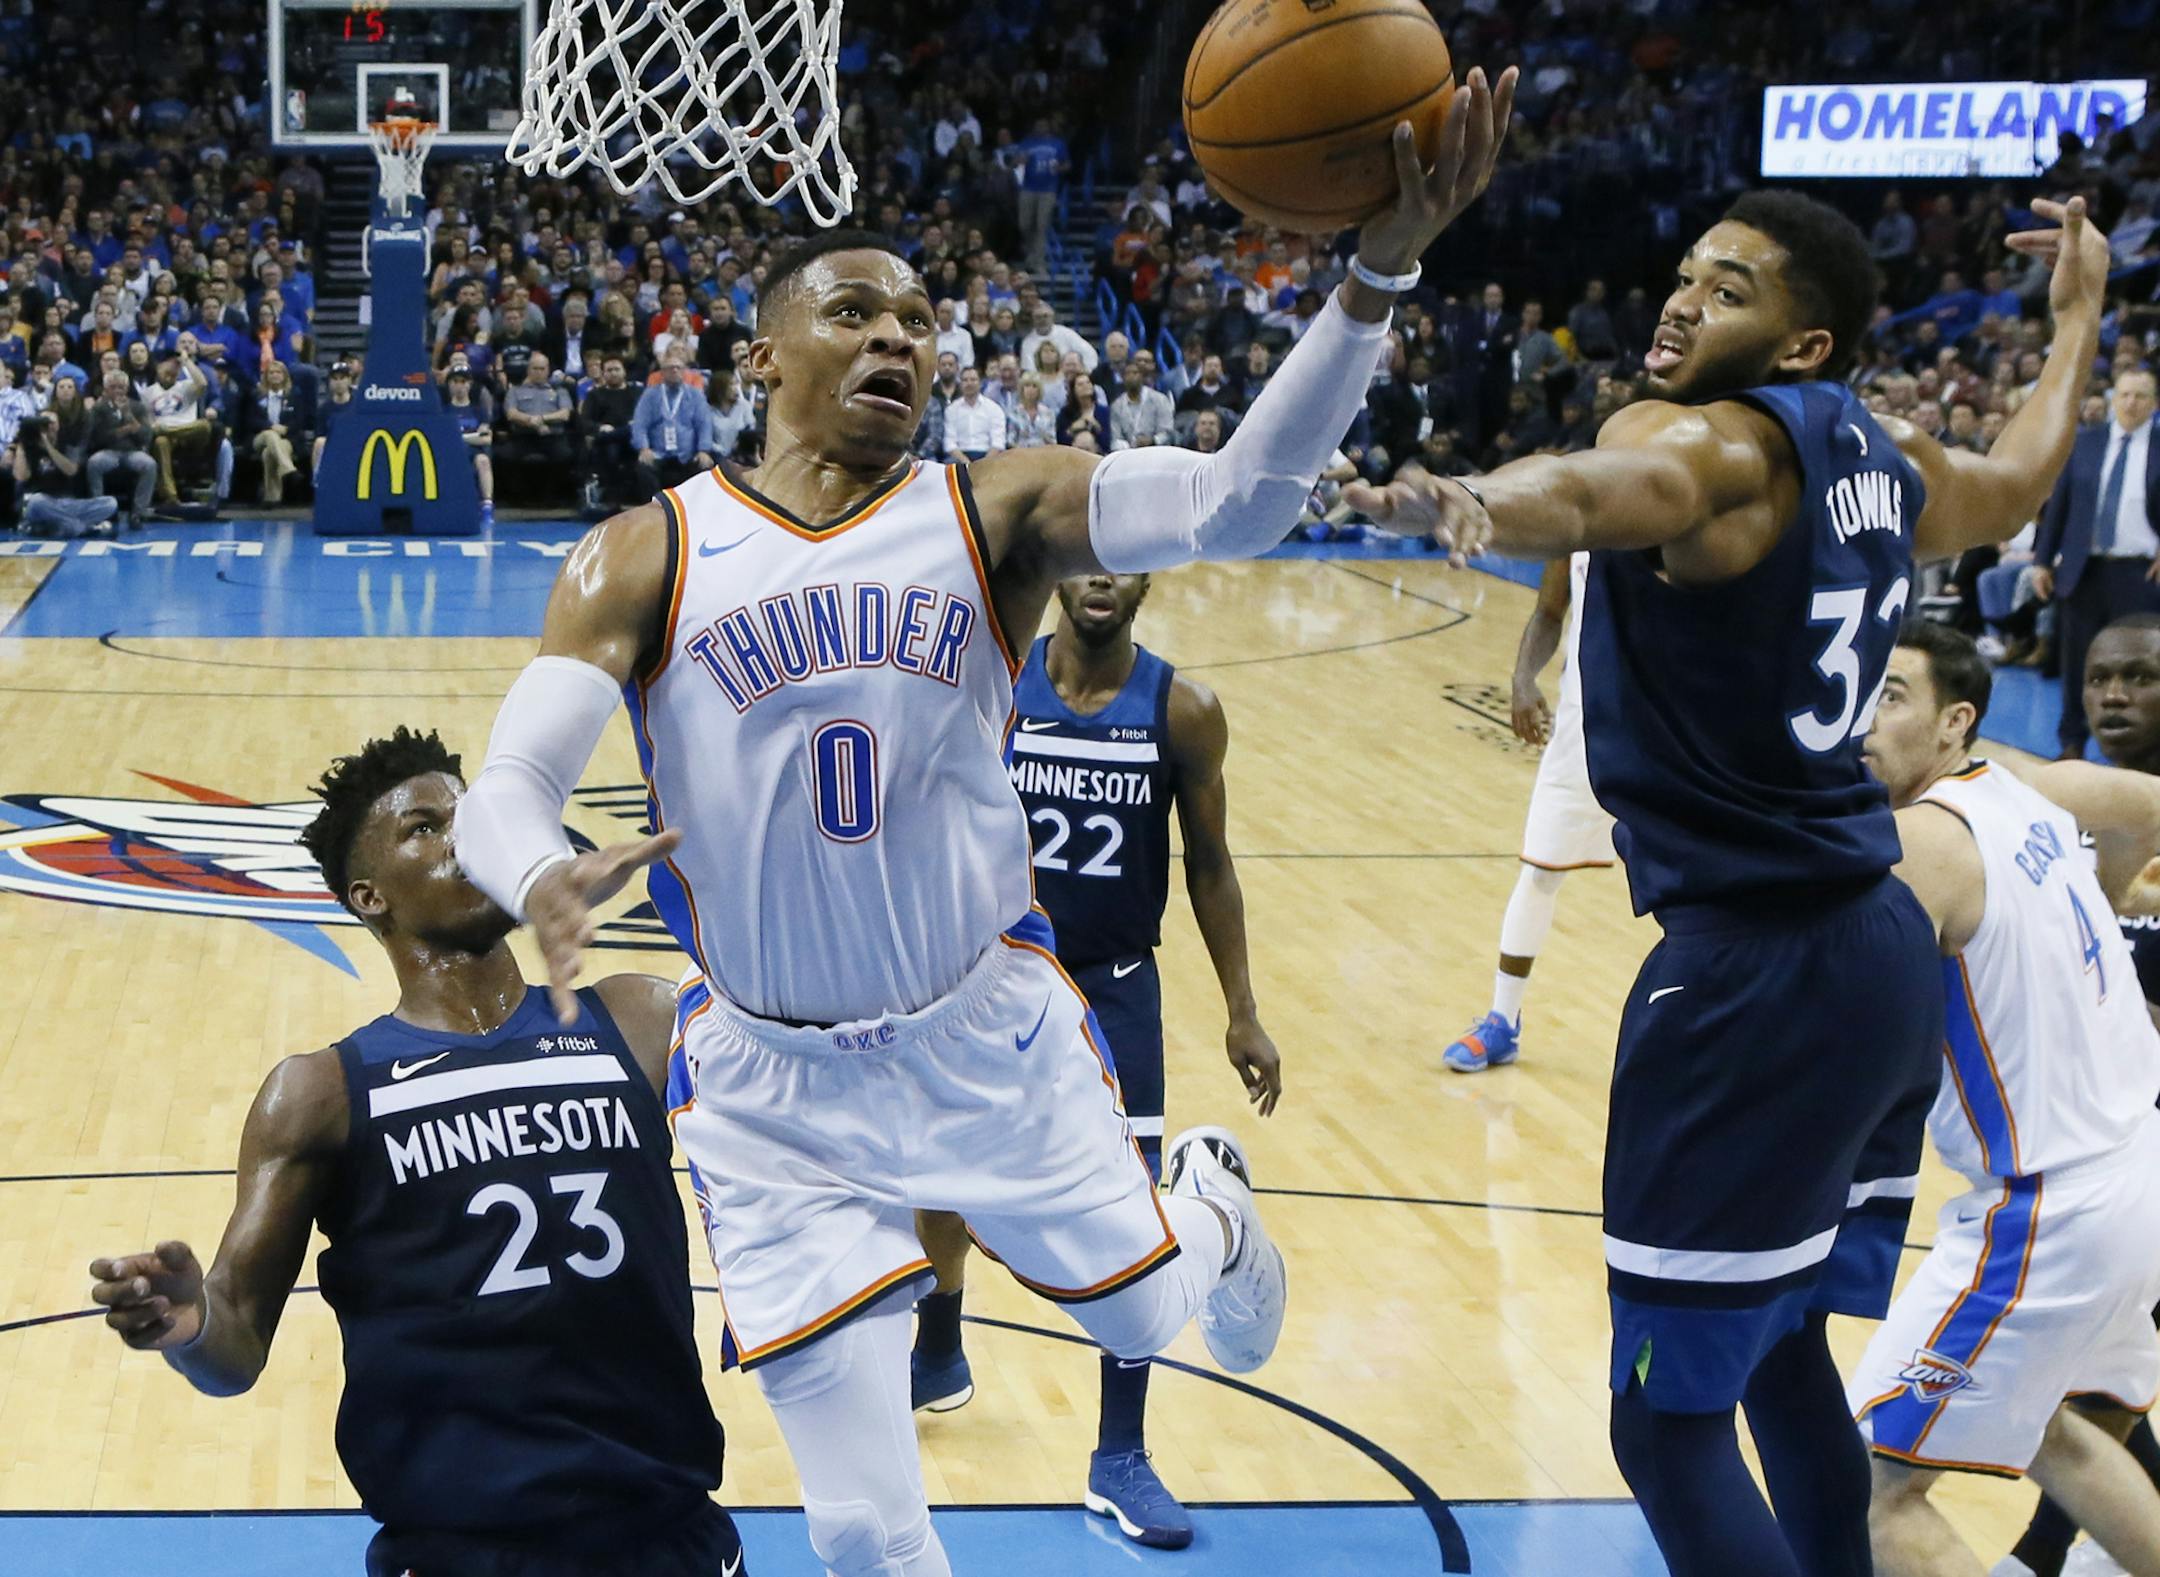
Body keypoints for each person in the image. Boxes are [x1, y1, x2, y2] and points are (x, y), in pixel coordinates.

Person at [450, 72, 1514, 1577]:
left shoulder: (993, 510)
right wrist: (536, 877)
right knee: (862, 1531)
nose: (899, 336)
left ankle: (1202, 1202)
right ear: (761, 356)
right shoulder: (641, 552)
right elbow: (508, 791)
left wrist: (1376, 274)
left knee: (1148, 1316)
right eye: (856, 313)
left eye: (916, 321)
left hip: (985, 1032)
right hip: (768, 1082)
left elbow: (1238, 499)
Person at [1349, 190, 2113, 1576]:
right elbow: (2023, 474)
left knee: (1663, 1426)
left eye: (1733, 287)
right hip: (1876, 948)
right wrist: (2076, 324)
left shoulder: (1707, 443)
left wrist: (1472, 497)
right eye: (1688, 273)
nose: (1685, 300)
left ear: (1805, 343)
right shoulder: (1892, 457)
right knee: (1777, 1355)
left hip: (1753, 976)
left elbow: (1604, 490)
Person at [87, 730, 746, 1577]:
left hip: (667, 1534)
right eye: (424, 829)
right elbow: (235, 1342)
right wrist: (192, 1324)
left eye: (469, 818)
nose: (461, 839)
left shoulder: (640, 1019)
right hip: (458, 1554)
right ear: (370, 896)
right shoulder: (320, 1093)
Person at [911, 570, 1284, 1549]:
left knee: (1127, 1222)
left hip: (1115, 984)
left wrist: (1243, 1009)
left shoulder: (1183, 709)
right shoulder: (991, 686)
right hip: (991, 974)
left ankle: (1121, 1455)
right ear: (1058, 565)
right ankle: (940, 1337)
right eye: (1084, 558)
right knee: (940, 1171)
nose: (1101, 580)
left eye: (1122, 562)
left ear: (1148, 575)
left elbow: (1210, 861)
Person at [1852, 622, 2160, 1577]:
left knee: (1872, 1495)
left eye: (1892, 694)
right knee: (2052, 1423)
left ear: (1954, 722)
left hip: (2045, 1209)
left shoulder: (1922, 842)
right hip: (2137, 1173)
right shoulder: (2027, 784)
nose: (1863, 714)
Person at [2001, 612, 2160, 1577]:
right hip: (2109, 1154)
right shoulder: (2068, 820)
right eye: (2101, 676)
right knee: (2080, 1383)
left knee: (2062, 1383)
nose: (2114, 694)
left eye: (2141, 678)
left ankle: (2038, 1553)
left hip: (2137, 1166)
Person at [1442, 553, 1615, 1071]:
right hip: (1584, 736)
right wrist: (1523, 679)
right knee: (1539, 873)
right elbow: (1548, 611)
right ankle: (1502, 1019)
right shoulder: (1582, 518)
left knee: (1697, 882)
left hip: (1671, 736)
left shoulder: (1675, 508)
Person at [2032, 367, 2160, 759]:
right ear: (2112, 399)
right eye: (2124, 394)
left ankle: (2142, 751)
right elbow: (2060, 507)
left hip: (2141, 573)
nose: (2131, 402)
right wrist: (2041, 561)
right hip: (2082, 571)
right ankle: (2072, 743)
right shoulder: (2084, 442)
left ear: (2154, 404)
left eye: (2140, 395)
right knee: (2078, 663)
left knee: (2142, 667)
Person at [631, 353, 715, 500]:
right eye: (670, 368)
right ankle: (654, 509)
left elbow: (704, 425)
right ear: (662, 373)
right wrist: (643, 448)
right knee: (643, 468)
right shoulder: (650, 395)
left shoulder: (696, 396)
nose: (675, 371)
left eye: (678, 368)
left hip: (687, 456)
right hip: (658, 454)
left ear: (685, 372)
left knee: (706, 466)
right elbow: (639, 424)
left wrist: (703, 450)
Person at [84, 367, 158, 528]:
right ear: (106, 389)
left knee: (149, 464)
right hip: (108, 452)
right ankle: (100, 511)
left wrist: (130, 418)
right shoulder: (99, 408)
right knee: (94, 463)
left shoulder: (137, 406)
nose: (118, 391)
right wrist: (123, 430)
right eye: (113, 387)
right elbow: (96, 437)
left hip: (133, 451)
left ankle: (138, 512)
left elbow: (146, 436)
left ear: (127, 388)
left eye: (121, 387)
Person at [143, 345, 214, 505]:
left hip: (190, 434)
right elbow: (148, 422)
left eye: (176, 368)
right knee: (160, 441)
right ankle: (171, 496)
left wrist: (186, 361)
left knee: (204, 425)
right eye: (168, 367)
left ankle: (168, 431)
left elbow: (202, 383)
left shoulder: (186, 386)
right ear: (158, 367)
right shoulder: (148, 393)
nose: (172, 370)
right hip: (166, 439)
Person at [580, 354, 643, 507]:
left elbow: (647, 417)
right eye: (609, 370)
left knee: (628, 434)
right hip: (606, 440)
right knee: (610, 450)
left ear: (624, 372)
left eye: (617, 369)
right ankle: (613, 499)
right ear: (603, 373)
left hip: (633, 437)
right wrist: (600, 427)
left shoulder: (637, 393)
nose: (613, 373)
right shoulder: (594, 394)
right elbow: (584, 421)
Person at [500, 350, 575, 477]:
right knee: (503, 456)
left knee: (566, 455)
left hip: (552, 437)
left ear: (548, 370)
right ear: (528, 370)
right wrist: (532, 422)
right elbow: (511, 414)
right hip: (523, 436)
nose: (539, 372)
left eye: (542, 369)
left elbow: (564, 414)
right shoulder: (515, 391)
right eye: (535, 369)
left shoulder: (559, 391)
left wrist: (541, 419)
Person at [242, 359, 306, 505]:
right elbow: (250, 420)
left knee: (269, 453)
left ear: (284, 376)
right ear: (266, 376)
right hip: (259, 438)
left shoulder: (295, 395)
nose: (275, 375)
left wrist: (286, 429)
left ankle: (272, 498)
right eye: (271, 372)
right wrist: (270, 426)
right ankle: (289, 470)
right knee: (270, 435)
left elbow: (300, 420)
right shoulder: (256, 395)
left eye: (278, 372)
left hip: (287, 438)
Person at [441, 367, 497, 526]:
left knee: (483, 461)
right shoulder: (443, 411)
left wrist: (459, 438)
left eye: (463, 381)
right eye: (455, 381)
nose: (459, 385)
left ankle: (486, 505)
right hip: (449, 454)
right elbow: (444, 439)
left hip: (473, 454)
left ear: (469, 385)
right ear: (449, 385)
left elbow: (487, 440)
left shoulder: (479, 411)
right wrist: (473, 437)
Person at [941, 365, 1005, 461]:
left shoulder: (994, 409)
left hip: (987, 455)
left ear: (980, 383)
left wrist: (983, 463)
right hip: (960, 456)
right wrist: (965, 462)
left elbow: (998, 443)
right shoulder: (951, 410)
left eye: (973, 379)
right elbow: (949, 444)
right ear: (960, 383)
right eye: (965, 380)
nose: (969, 383)